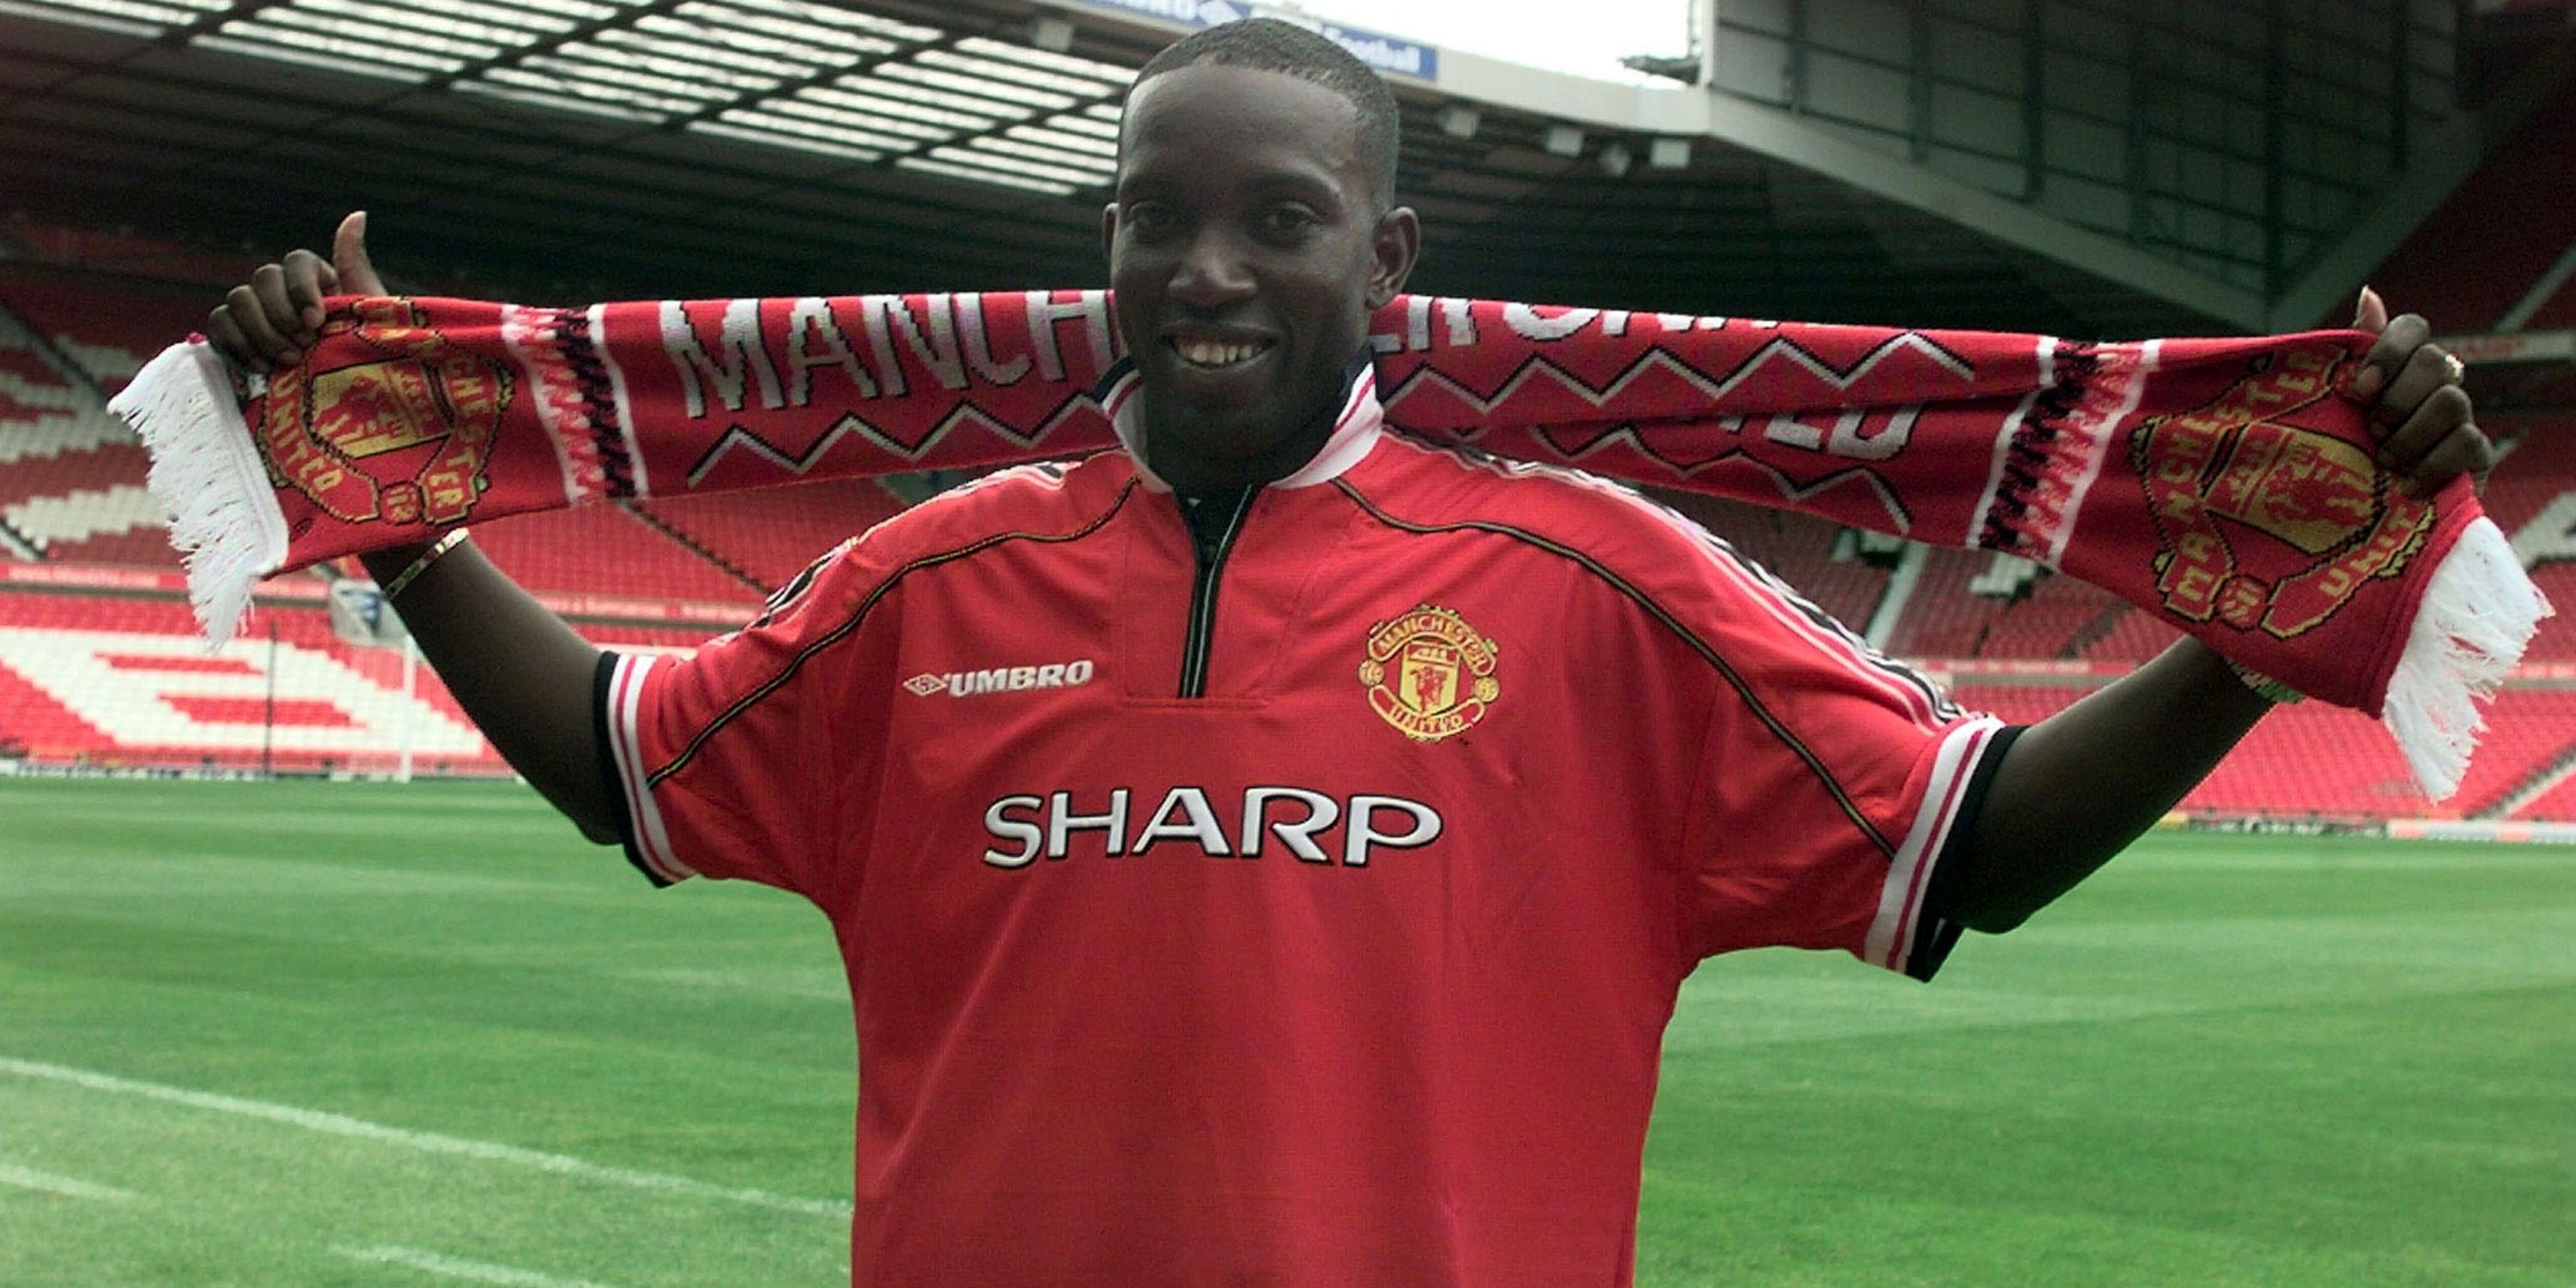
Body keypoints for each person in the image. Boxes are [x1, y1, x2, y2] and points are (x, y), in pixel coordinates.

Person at [204, 19, 2492, 1286]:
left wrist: (2251, 628)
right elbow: (632, 760)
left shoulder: (1598, 577)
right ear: (1104, 243)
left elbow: (1971, 844)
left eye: (1279, 222)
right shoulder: (932, 577)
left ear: (1383, 258)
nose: (1210, 270)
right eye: (1157, 218)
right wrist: (398, 535)